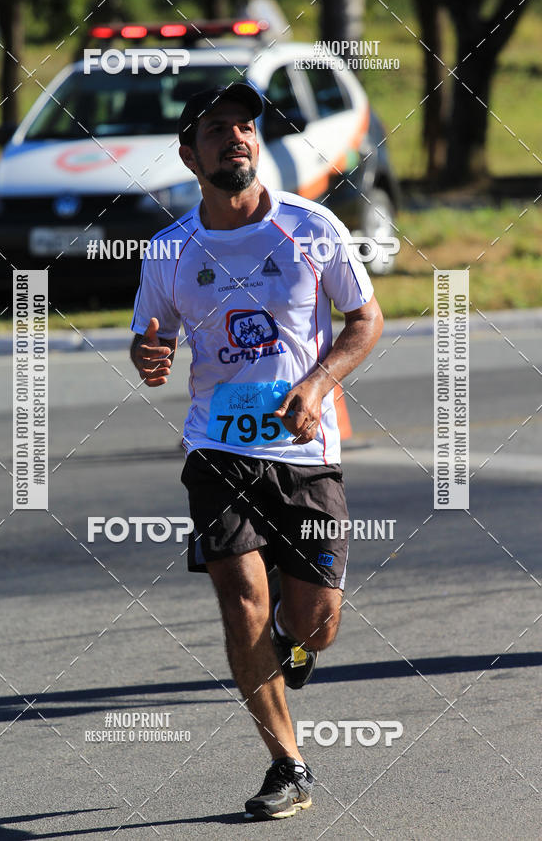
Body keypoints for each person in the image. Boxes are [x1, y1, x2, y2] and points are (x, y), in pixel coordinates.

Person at [130, 83, 383, 821]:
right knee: (242, 605)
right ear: (189, 154)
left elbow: (364, 320)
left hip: (305, 450)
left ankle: (290, 639)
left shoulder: (311, 228)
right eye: (217, 129)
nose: (236, 137)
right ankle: (288, 764)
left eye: (245, 126)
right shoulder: (171, 250)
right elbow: (153, 340)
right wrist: (149, 355)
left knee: (315, 624)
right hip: (218, 451)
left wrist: (317, 383)